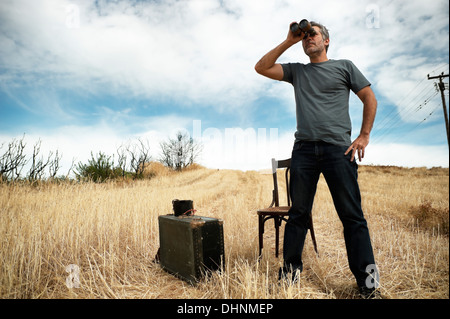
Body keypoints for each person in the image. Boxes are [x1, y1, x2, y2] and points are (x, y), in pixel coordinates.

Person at [255, 21, 379, 298]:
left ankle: (368, 285)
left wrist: (364, 135)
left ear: (326, 41)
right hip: (304, 151)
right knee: (298, 214)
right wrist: (289, 40)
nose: (308, 38)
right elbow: (261, 67)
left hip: (338, 150)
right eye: (304, 35)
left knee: (353, 217)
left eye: (313, 34)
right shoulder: (297, 72)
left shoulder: (344, 66)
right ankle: (289, 275)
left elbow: (370, 98)